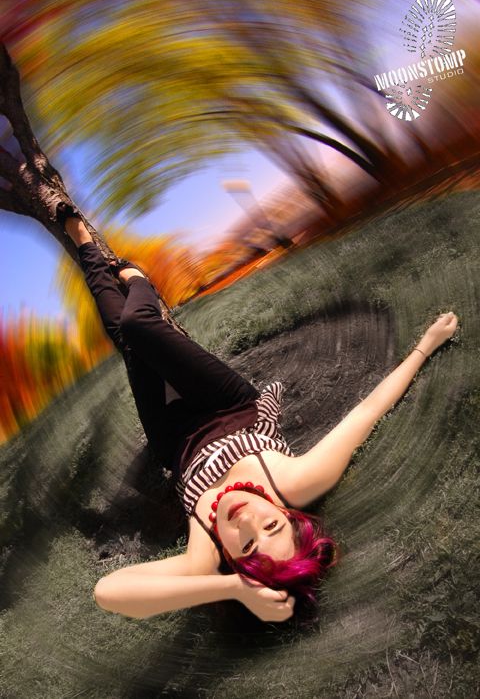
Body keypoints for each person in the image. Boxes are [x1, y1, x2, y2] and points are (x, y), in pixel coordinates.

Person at [57, 204, 459, 623]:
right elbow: (368, 410)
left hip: (174, 440)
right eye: (271, 527)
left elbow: (109, 592)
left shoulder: (205, 555)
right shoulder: (298, 481)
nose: (247, 521)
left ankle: (86, 248)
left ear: (233, 563)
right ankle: (139, 279)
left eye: (247, 546)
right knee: (139, 326)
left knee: (124, 337)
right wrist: (426, 346)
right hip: (226, 404)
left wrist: (231, 587)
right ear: (288, 515)